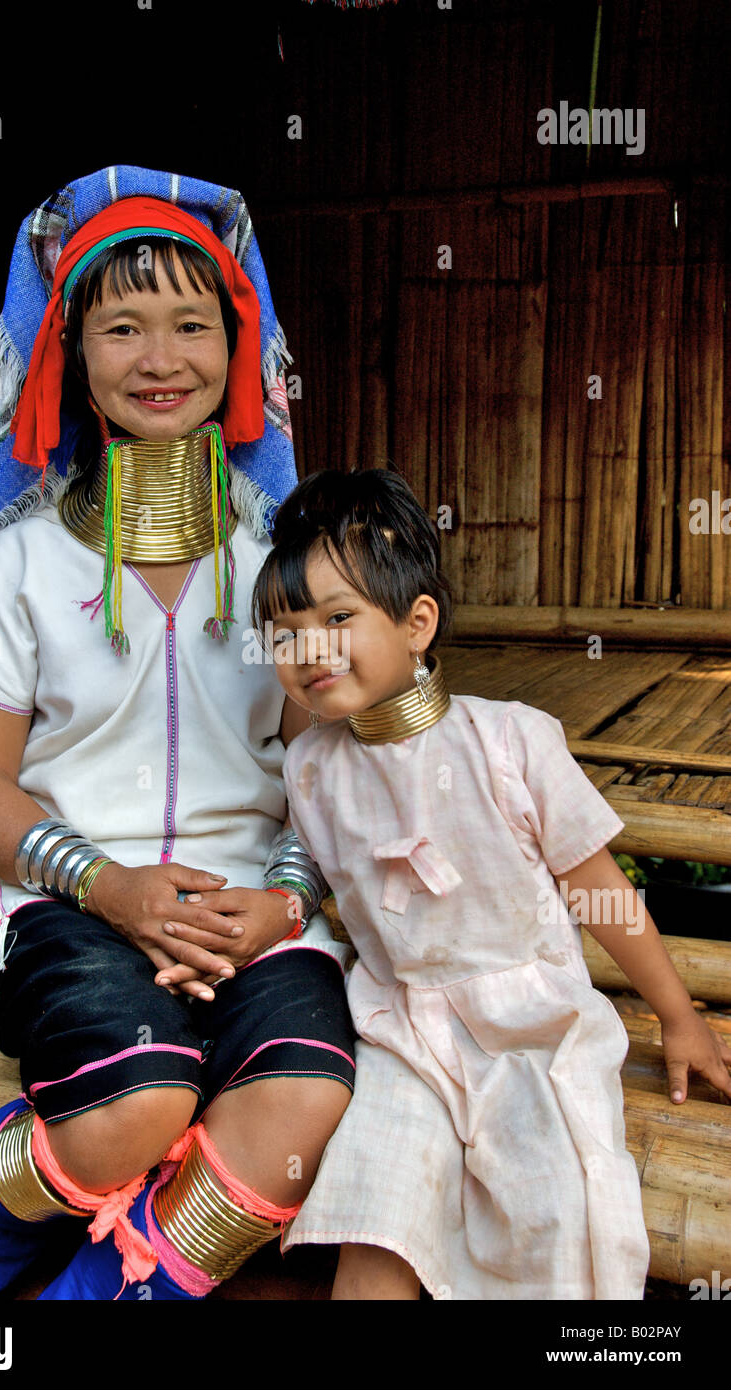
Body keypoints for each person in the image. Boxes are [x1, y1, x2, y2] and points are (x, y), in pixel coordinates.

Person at [0, 168, 355, 1302]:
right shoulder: (23, 564)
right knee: (138, 1098)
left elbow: (332, 765)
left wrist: (284, 900)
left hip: (255, 907)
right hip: (64, 902)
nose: (161, 357)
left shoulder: (294, 563)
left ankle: (101, 1297)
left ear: (237, 348)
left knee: (305, 1098)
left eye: (193, 323)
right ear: (69, 355)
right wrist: (111, 889)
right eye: (122, 326)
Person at [251, 467, 731, 1300]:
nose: (310, 650)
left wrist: (680, 1017)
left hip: (532, 1033)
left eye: (337, 618)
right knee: (377, 1213)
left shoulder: (510, 742)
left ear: (417, 623)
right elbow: (309, 879)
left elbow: (600, 891)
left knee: (554, 1224)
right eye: (285, 633)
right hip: (401, 1036)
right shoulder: (310, 768)